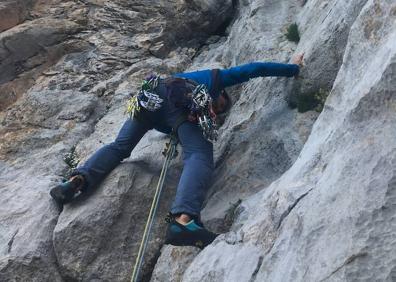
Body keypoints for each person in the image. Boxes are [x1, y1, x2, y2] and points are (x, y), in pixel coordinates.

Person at [50, 54, 304, 249]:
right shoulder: (214, 80)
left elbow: (172, 121)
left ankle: (75, 182)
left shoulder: (184, 89)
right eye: (220, 106)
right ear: (220, 95)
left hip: (149, 95)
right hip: (178, 97)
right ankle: (183, 221)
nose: (216, 113)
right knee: (200, 155)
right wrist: (292, 67)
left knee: (120, 147)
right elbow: (254, 69)